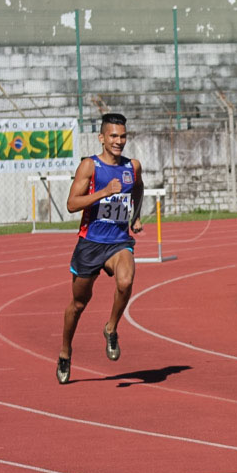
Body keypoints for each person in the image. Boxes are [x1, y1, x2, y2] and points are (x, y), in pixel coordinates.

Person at [57, 113, 144, 384]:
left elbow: (138, 189)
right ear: (102, 138)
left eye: (123, 136)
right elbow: (72, 204)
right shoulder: (89, 166)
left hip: (119, 241)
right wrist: (104, 192)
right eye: (114, 136)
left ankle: (111, 328)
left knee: (126, 280)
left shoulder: (133, 166)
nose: (119, 141)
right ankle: (65, 351)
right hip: (91, 244)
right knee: (79, 304)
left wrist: (136, 216)